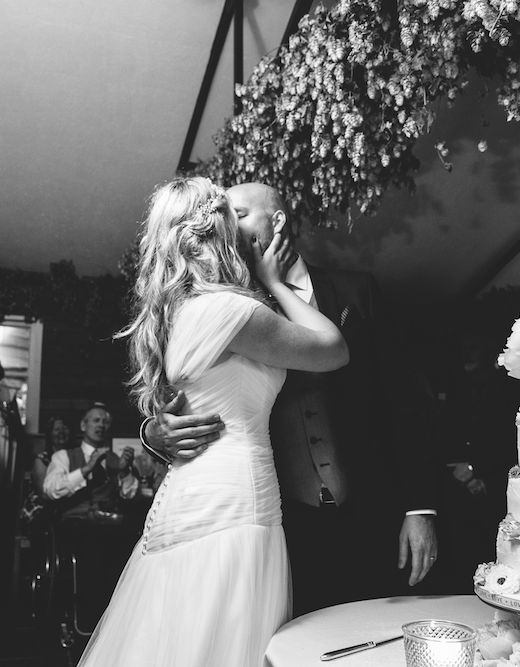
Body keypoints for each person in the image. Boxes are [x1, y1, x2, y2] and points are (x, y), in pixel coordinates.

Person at [78, 176, 348, 666]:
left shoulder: (182, 308)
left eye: (247, 213)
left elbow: (188, 394)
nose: (239, 228)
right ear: (216, 229)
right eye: (232, 214)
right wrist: (152, 431)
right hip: (234, 501)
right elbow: (331, 350)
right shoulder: (232, 307)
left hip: (205, 496)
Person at [142, 182, 439, 615]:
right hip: (279, 519)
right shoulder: (223, 303)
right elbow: (176, 392)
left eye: (240, 213)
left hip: (372, 506)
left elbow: (405, 402)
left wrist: (420, 507)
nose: (229, 224)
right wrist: (153, 432)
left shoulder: (356, 292)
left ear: (276, 220)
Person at [43, 404, 140, 629]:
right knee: (93, 543)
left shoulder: (114, 458)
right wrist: (86, 469)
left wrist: (124, 471)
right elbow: (50, 489)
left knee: (132, 543)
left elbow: (130, 493)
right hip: (77, 525)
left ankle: (120, 620)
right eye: (95, 420)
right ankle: (90, 618)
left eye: (105, 422)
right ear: (83, 425)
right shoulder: (64, 456)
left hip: (110, 525)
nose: (101, 425)